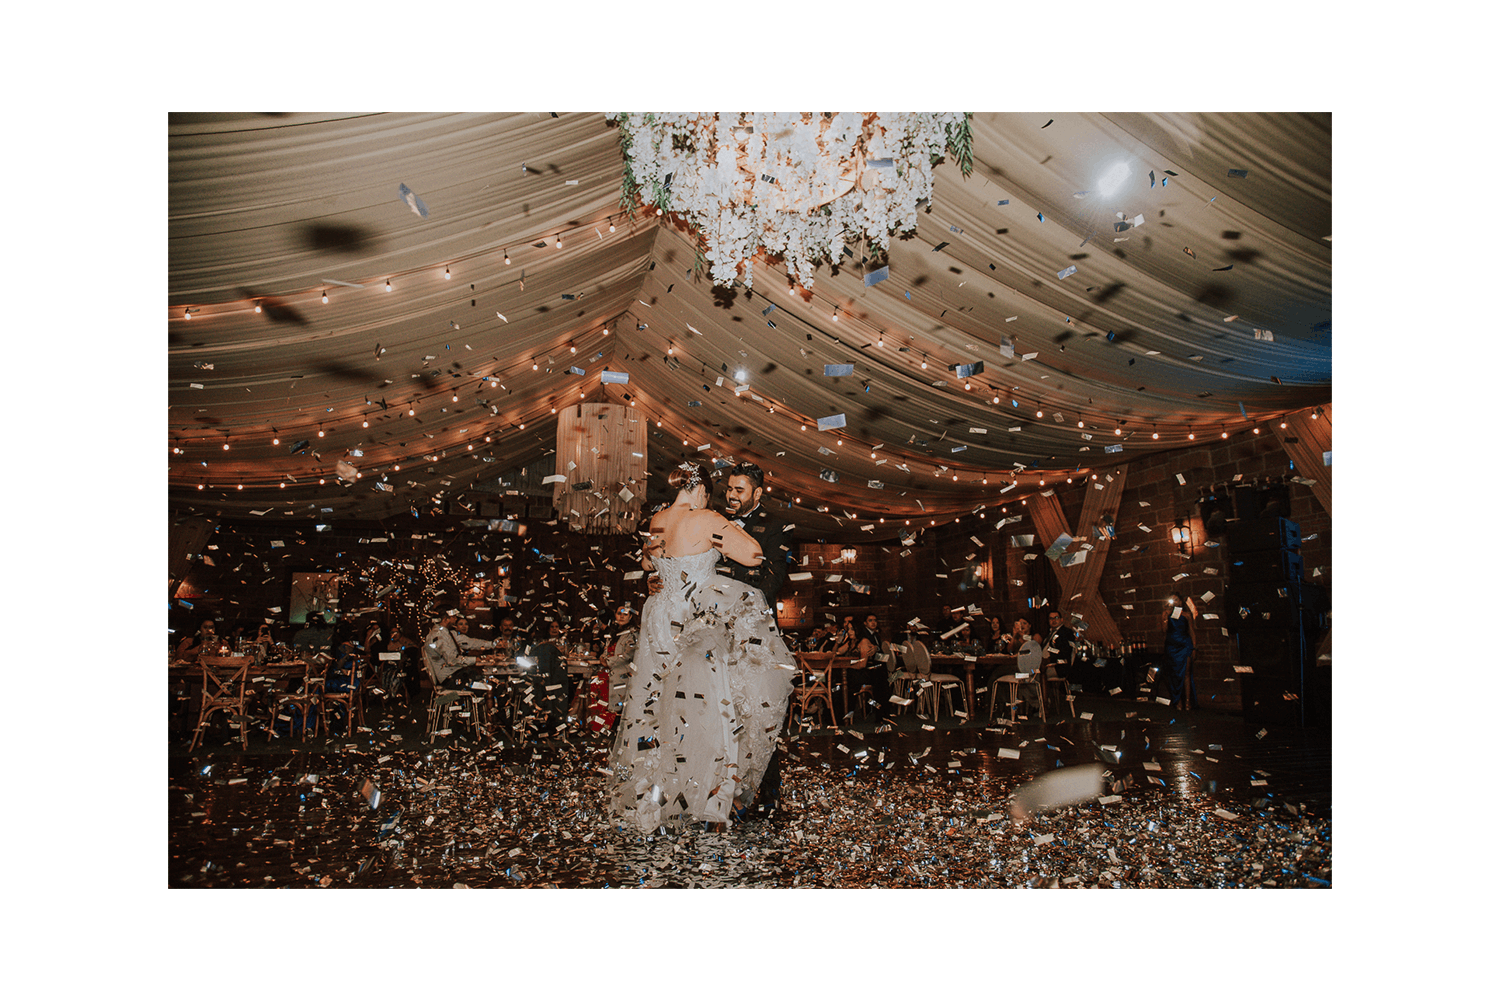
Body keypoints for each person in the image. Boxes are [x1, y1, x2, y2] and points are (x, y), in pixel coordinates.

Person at [609, 461, 795, 833]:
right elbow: (753, 555)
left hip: (661, 619)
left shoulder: (658, 519)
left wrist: (667, 576)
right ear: (703, 491)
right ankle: (707, 795)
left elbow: (649, 561)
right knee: (708, 706)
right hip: (697, 623)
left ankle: (658, 794)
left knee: (659, 703)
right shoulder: (708, 517)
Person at [588, 605, 638, 735]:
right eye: (619, 613)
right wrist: (603, 657)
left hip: (622, 676)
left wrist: (608, 661)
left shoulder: (633, 633)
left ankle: (616, 733)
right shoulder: (614, 631)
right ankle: (600, 730)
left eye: (625, 614)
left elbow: (628, 654)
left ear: (631, 616)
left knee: (618, 708)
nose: (621, 616)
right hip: (608, 675)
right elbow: (607, 649)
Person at [422, 609, 489, 688]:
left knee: (484, 679)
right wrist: (476, 659)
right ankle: (445, 699)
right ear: (445, 619)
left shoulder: (444, 633)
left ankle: (447, 699)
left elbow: (470, 643)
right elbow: (452, 660)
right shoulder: (438, 636)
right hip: (450, 680)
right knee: (486, 686)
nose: (456, 619)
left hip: (453, 675)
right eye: (453, 617)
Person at [1160, 593, 1197, 709]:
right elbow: (1164, 630)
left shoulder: (1186, 615)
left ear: (1180, 602)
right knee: (1174, 674)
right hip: (1172, 646)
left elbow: (1191, 632)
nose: (1174, 602)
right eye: (1172, 600)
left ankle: (1187, 701)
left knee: (1186, 673)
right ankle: (1177, 700)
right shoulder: (1166, 614)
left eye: (1176, 600)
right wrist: (1166, 616)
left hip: (1185, 645)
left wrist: (1194, 648)